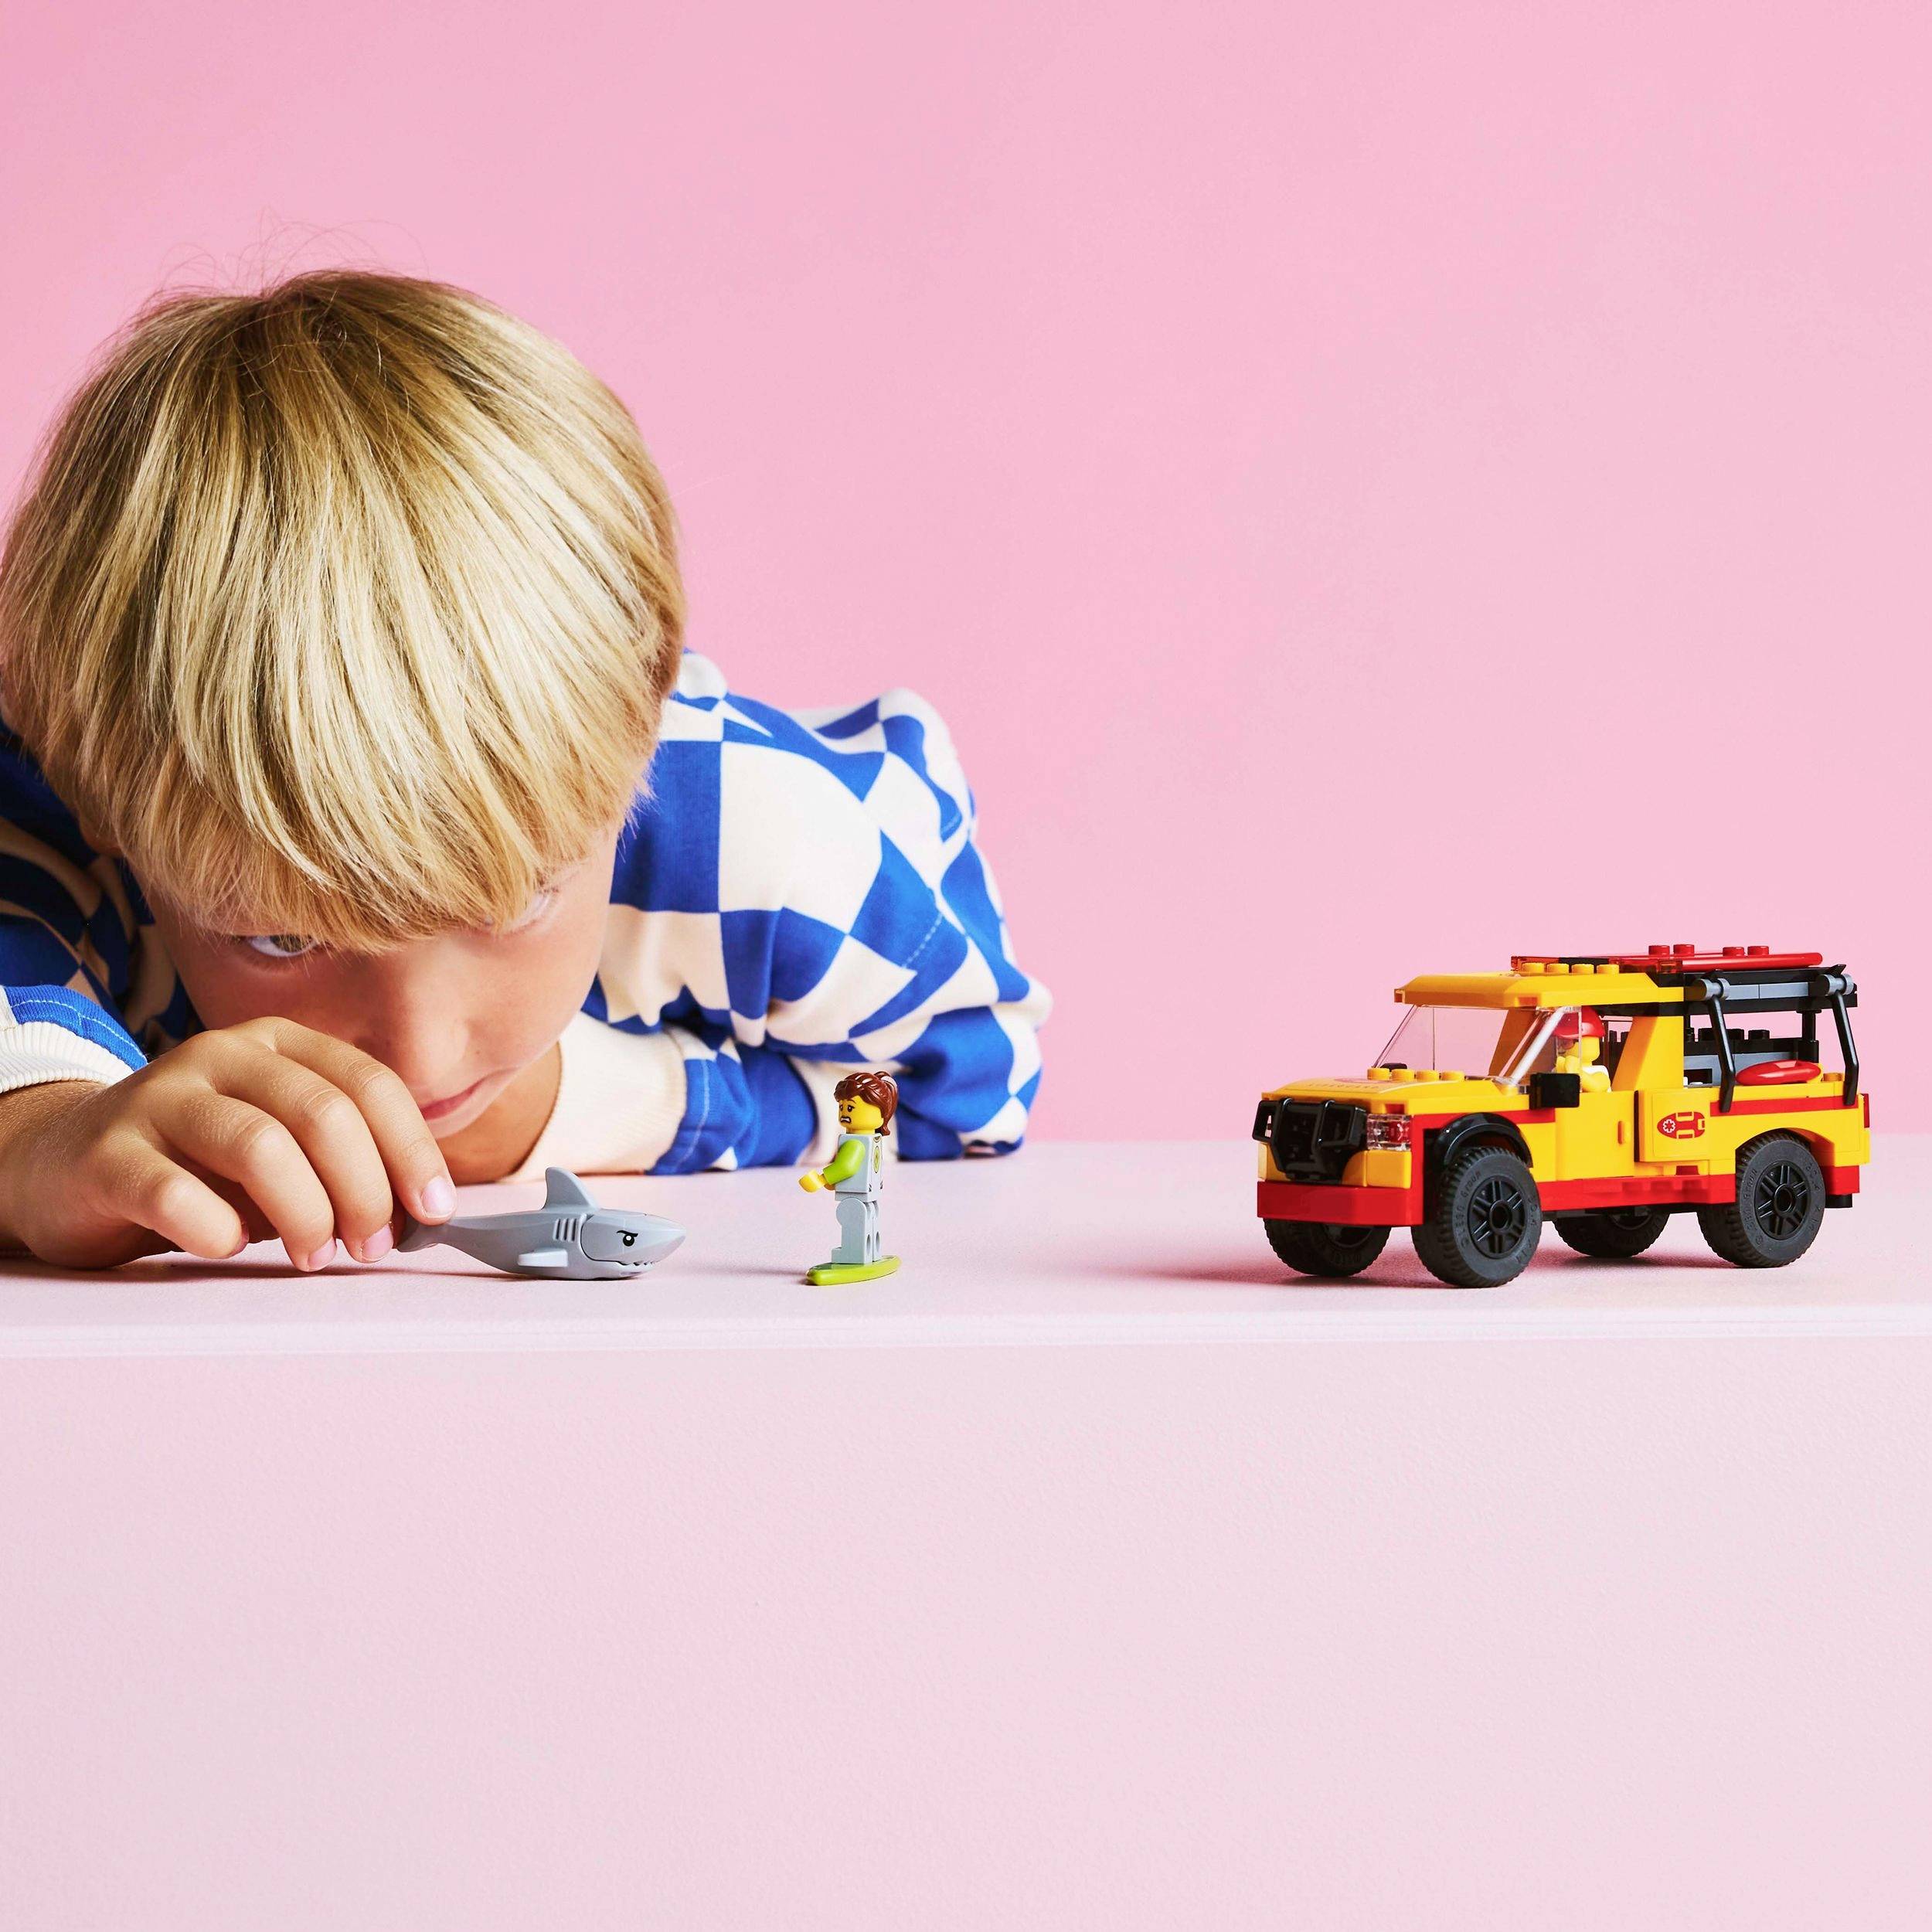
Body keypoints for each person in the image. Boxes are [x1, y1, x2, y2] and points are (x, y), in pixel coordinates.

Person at [0, 271, 1047, 1271]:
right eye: (280, 936)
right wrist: (40, 1140)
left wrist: (588, 1105)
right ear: (103, 809)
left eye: (514, 903)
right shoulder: (86, 775)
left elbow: (968, 1088)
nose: (418, 1053)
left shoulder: (768, 840)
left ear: (643, 726)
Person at [798, 1070, 900, 1285]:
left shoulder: (854, 1142)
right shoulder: (875, 1140)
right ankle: (871, 1255)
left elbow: (846, 1166)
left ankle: (852, 1259)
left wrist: (822, 1179)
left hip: (855, 1197)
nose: (844, 1112)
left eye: (851, 1107)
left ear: (879, 1111)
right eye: (842, 1107)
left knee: (853, 1223)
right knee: (869, 1222)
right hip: (870, 1193)